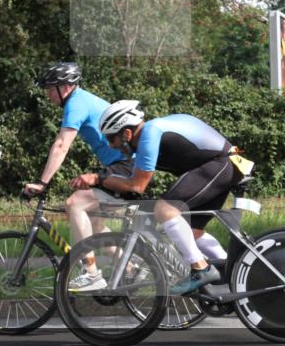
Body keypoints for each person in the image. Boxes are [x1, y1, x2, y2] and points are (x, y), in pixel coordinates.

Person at [70, 100, 245, 295]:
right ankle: (235, 274)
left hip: (221, 163)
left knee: (165, 209)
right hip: (222, 164)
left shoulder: (150, 134)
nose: (111, 146)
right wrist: (103, 180)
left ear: (127, 133)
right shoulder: (151, 133)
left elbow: (137, 185)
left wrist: (97, 178)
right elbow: (132, 180)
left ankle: (201, 268)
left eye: (112, 139)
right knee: (192, 232)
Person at [22, 63, 135, 290]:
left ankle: (91, 272)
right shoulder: (81, 100)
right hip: (125, 165)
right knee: (93, 225)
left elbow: (62, 144)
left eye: (50, 89)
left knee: (74, 203)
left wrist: (42, 183)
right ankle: (133, 269)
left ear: (65, 87)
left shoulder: (75, 104)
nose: (48, 94)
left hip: (125, 166)